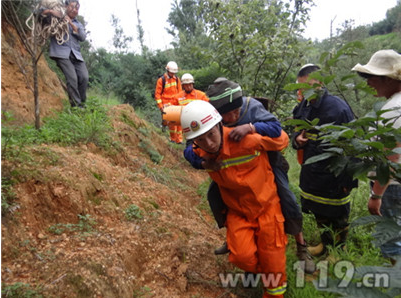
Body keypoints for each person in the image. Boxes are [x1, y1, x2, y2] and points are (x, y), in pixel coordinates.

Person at [184, 78, 315, 273]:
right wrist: (204, 163)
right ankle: (236, 242)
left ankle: (301, 246)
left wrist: (251, 127)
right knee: (217, 198)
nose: (233, 116)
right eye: (227, 114)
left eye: (236, 112)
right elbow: (190, 149)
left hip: (266, 157)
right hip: (226, 164)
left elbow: (275, 128)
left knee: (287, 199)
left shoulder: (250, 107)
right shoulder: (210, 117)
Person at [181, 100, 288, 298]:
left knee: (273, 262)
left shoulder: (247, 141)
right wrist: (203, 163)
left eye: (211, 135)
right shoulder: (202, 152)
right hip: (238, 214)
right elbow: (189, 153)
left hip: (268, 210)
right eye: (201, 140)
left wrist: (254, 128)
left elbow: (282, 138)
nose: (209, 143)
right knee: (241, 257)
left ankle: (272, 288)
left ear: (220, 126)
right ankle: (263, 273)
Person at [292, 64, 358, 257]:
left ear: (320, 83)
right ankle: (324, 245)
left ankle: (337, 253)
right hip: (312, 171)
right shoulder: (303, 107)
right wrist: (297, 140)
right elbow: (294, 130)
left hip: (334, 174)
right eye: (301, 88)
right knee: (319, 212)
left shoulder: (338, 108)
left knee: (338, 216)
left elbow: (351, 147)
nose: (304, 92)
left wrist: (348, 180)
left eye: (308, 87)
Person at [352, 49, 401, 260]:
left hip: (391, 187)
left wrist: (377, 195)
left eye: (372, 77)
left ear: (389, 79)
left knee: (390, 239)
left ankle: (392, 282)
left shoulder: (393, 109)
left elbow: (392, 155)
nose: (369, 82)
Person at [43, 0, 88, 108]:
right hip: (61, 53)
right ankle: (76, 106)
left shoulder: (78, 23)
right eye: (72, 7)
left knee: (84, 77)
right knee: (72, 78)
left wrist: (71, 24)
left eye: (77, 8)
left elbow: (82, 37)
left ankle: (82, 103)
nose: (74, 10)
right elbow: (38, 13)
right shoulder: (56, 17)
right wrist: (52, 12)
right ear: (66, 6)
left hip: (76, 54)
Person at [154, 61, 183, 143]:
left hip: (175, 104)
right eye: (171, 72)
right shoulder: (161, 80)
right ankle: (173, 139)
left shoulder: (177, 80)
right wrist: (161, 106)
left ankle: (179, 140)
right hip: (166, 105)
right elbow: (157, 94)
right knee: (172, 124)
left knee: (179, 123)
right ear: (167, 71)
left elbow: (180, 93)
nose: (172, 74)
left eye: (174, 73)